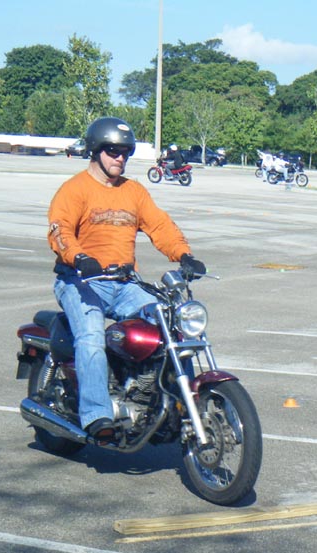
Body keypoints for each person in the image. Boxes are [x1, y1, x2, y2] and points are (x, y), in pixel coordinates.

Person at [47, 117, 205, 443]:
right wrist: (79, 257)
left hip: (124, 283)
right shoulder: (74, 189)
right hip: (80, 280)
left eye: (126, 152)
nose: (120, 158)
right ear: (95, 150)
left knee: (171, 323)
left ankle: (177, 404)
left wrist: (184, 255)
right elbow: (59, 231)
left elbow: (159, 226)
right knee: (91, 335)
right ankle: (97, 414)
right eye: (113, 151)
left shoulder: (133, 191)